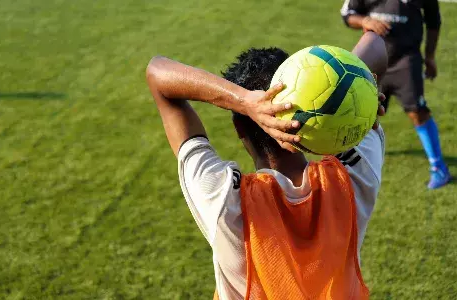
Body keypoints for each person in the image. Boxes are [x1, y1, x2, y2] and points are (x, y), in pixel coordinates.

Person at [146, 32, 387, 299]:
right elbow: (375, 43)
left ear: (240, 128)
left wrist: (242, 101)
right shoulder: (353, 176)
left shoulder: (223, 198)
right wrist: (357, 87)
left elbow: (157, 73)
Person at [341, 0, 451, 189]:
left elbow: (434, 22)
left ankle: (439, 167)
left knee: (417, 111)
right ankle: (346, 167)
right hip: (373, 61)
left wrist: (430, 56)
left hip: (406, 62)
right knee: (362, 114)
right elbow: (347, 14)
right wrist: (365, 21)